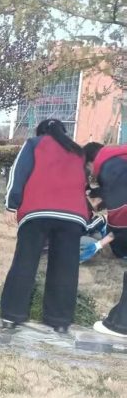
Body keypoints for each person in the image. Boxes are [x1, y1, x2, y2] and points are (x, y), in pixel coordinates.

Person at [0, 119, 94, 333]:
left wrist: (11, 205)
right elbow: (82, 184)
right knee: (65, 269)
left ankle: (11, 316)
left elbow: (18, 174)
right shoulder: (78, 151)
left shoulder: (34, 144)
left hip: (38, 212)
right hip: (73, 216)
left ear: (41, 132)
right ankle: (59, 321)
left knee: (24, 263)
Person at [81, 142, 127, 337]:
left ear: (91, 162)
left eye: (88, 169)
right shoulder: (119, 158)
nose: (91, 176)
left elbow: (120, 211)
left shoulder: (108, 165)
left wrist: (114, 237)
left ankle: (120, 324)